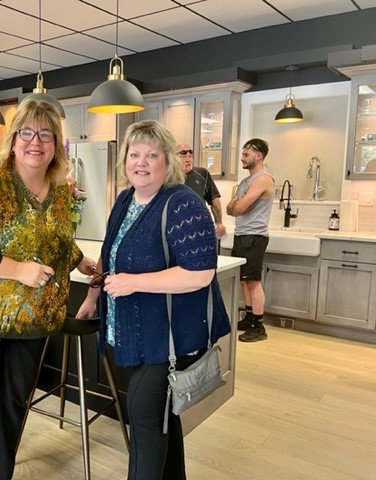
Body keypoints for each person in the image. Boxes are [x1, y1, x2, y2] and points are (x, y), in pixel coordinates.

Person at [0, 98, 95, 480]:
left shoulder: (59, 191)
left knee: (12, 407)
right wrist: (17, 270)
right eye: (27, 132)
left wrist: (78, 260)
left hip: (30, 319)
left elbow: (53, 239)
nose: (35, 142)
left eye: (46, 134)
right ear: (13, 139)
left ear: (56, 144)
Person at [76, 120, 230, 480]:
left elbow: (200, 274)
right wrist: (94, 294)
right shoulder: (126, 199)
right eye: (134, 154)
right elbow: (110, 252)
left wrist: (135, 283)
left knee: (145, 420)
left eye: (152, 155)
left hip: (167, 339)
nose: (141, 163)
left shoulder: (183, 204)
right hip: (135, 334)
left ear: (168, 160)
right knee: (161, 418)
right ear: (124, 161)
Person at [226, 138, 275, 342]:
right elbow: (231, 209)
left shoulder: (263, 179)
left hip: (254, 235)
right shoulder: (246, 181)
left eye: (246, 154)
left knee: (253, 282)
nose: (242, 158)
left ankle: (258, 326)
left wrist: (238, 205)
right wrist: (238, 205)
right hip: (242, 234)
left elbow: (238, 207)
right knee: (244, 280)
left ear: (259, 156)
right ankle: (248, 317)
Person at [177, 144, 226, 237]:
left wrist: (219, 222)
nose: (188, 158)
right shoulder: (168, 176)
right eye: (183, 155)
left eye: (190, 155)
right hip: (177, 227)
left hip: (199, 226)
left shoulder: (202, 174)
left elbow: (214, 199)